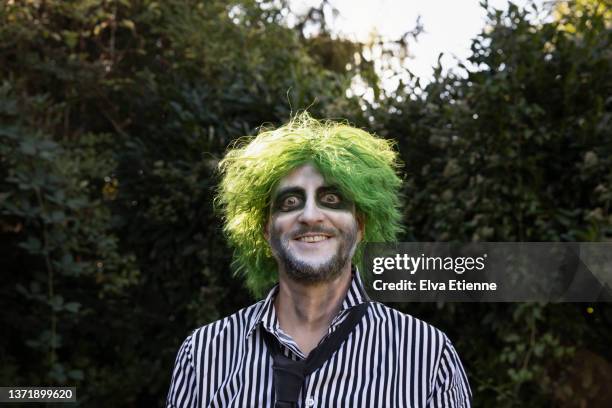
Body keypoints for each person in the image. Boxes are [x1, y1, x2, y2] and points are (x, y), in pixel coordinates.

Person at [166, 114, 472, 407]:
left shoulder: (428, 357)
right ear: (265, 233)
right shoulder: (204, 356)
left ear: (360, 226)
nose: (310, 216)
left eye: (331, 200)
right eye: (290, 202)